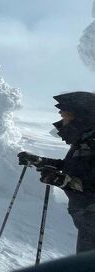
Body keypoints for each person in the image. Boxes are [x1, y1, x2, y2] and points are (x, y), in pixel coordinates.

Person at [18, 91, 95, 253]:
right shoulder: (84, 143)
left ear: (82, 118)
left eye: (66, 116)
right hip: (86, 220)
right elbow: (72, 167)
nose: (62, 121)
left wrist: (63, 181)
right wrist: (40, 161)